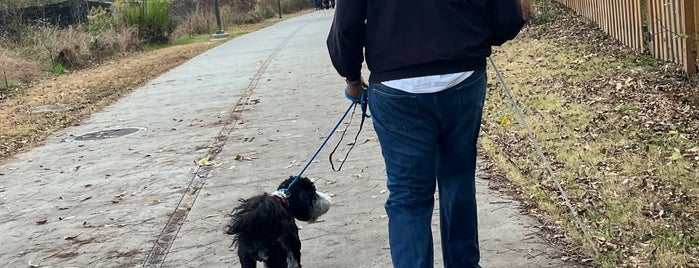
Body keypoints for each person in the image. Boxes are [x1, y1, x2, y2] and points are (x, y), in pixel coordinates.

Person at [327, 1, 526, 268]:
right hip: (462, 73)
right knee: (458, 180)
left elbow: (345, 27)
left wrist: (351, 77)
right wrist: (470, 37)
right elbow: (508, 16)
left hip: (395, 83)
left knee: (408, 196)